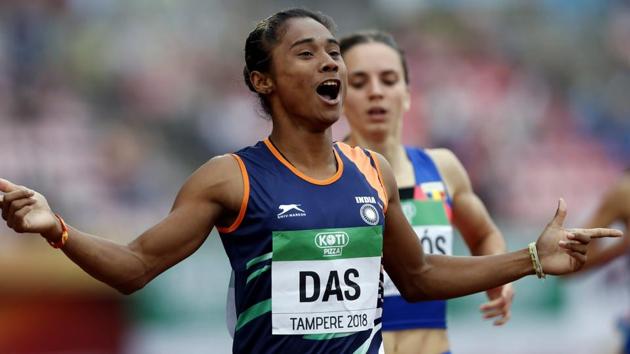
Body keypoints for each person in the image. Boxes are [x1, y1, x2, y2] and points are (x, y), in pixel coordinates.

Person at [0, 9, 622, 354]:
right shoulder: (231, 178)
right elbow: (133, 267)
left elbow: (421, 277)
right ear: (261, 81)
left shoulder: (370, 172)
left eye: (332, 51)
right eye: (306, 53)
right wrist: (56, 229)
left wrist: (531, 259)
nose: (330, 61)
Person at [340, 30, 512, 354]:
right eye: (359, 83)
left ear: (406, 94)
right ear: (338, 95)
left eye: (389, 80)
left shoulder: (442, 168)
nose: (376, 92)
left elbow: (483, 234)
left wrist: (499, 280)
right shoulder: (323, 179)